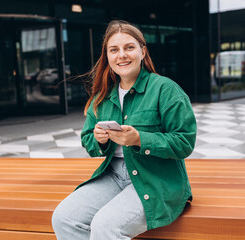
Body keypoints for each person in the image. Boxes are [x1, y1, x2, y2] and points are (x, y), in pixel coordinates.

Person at [51, 20, 197, 240]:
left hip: (156, 178)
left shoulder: (165, 89)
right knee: (63, 217)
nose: (122, 55)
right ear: (107, 56)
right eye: (114, 50)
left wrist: (140, 139)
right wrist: (99, 140)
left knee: (105, 226)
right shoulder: (101, 97)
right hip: (113, 176)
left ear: (142, 51)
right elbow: (88, 141)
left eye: (129, 47)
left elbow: (184, 142)